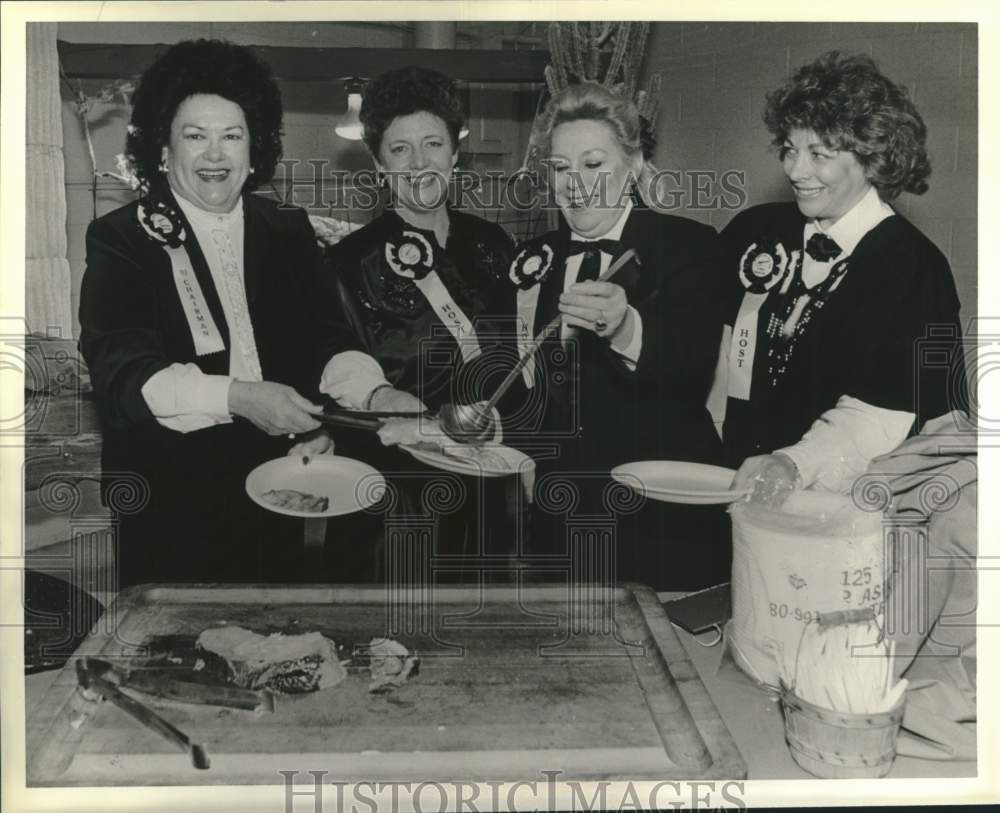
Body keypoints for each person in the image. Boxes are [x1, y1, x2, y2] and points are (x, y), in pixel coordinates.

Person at [78, 39, 365, 586]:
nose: (215, 154)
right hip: (169, 499)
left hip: (279, 487)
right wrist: (240, 397)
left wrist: (334, 413)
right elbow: (123, 376)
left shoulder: (286, 227)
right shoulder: (120, 239)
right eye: (195, 136)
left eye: (231, 136)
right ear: (163, 151)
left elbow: (329, 339)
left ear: (254, 151)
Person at [506, 81, 730, 591]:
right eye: (560, 168)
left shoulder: (689, 246)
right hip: (562, 523)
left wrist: (626, 327)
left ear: (633, 165)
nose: (574, 183)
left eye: (593, 164)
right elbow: (526, 383)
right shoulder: (531, 258)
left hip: (662, 518)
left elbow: (690, 364)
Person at [721, 51, 966, 501]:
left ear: (871, 158)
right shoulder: (758, 231)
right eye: (790, 150)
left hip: (837, 504)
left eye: (819, 154)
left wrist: (794, 463)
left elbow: (888, 413)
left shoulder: (914, 267)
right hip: (737, 486)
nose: (796, 171)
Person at [318, 66, 517, 581]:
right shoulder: (348, 261)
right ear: (379, 163)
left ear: (456, 153)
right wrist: (384, 400)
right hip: (397, 500)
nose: (420, 162)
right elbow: (330, 358)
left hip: (490, 488)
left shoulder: (495, 247)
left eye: (433, 143)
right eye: (400, 148)